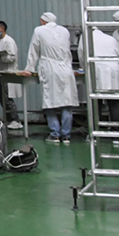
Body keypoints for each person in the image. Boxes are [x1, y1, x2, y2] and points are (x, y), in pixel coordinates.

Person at [20, 12, 79, 144]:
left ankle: (55, 134)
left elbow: (34, 50)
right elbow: (67, 51)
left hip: (50, 68)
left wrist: (29, 68)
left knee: (50, 102)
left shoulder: (39, 30)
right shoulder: (64, 31)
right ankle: (67, 135)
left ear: (43, 21)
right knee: (67, 103)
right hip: (66, 69)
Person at [87, 25, 119, 126]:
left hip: (96, 71)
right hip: (113, 70)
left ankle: (95, 132)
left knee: (96, 104)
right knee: (114, 105)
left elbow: (82, 57)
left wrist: (85, 69)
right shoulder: (111, 39)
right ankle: (116, 136)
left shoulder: (86, 38)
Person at [0, 20, 23, 131]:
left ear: (2, 28)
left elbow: (12, 57)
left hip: (7, 73)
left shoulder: (9, 41)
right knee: (1, 98)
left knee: (7, 98)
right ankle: (9, 119)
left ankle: (15, 120)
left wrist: (1, 57)